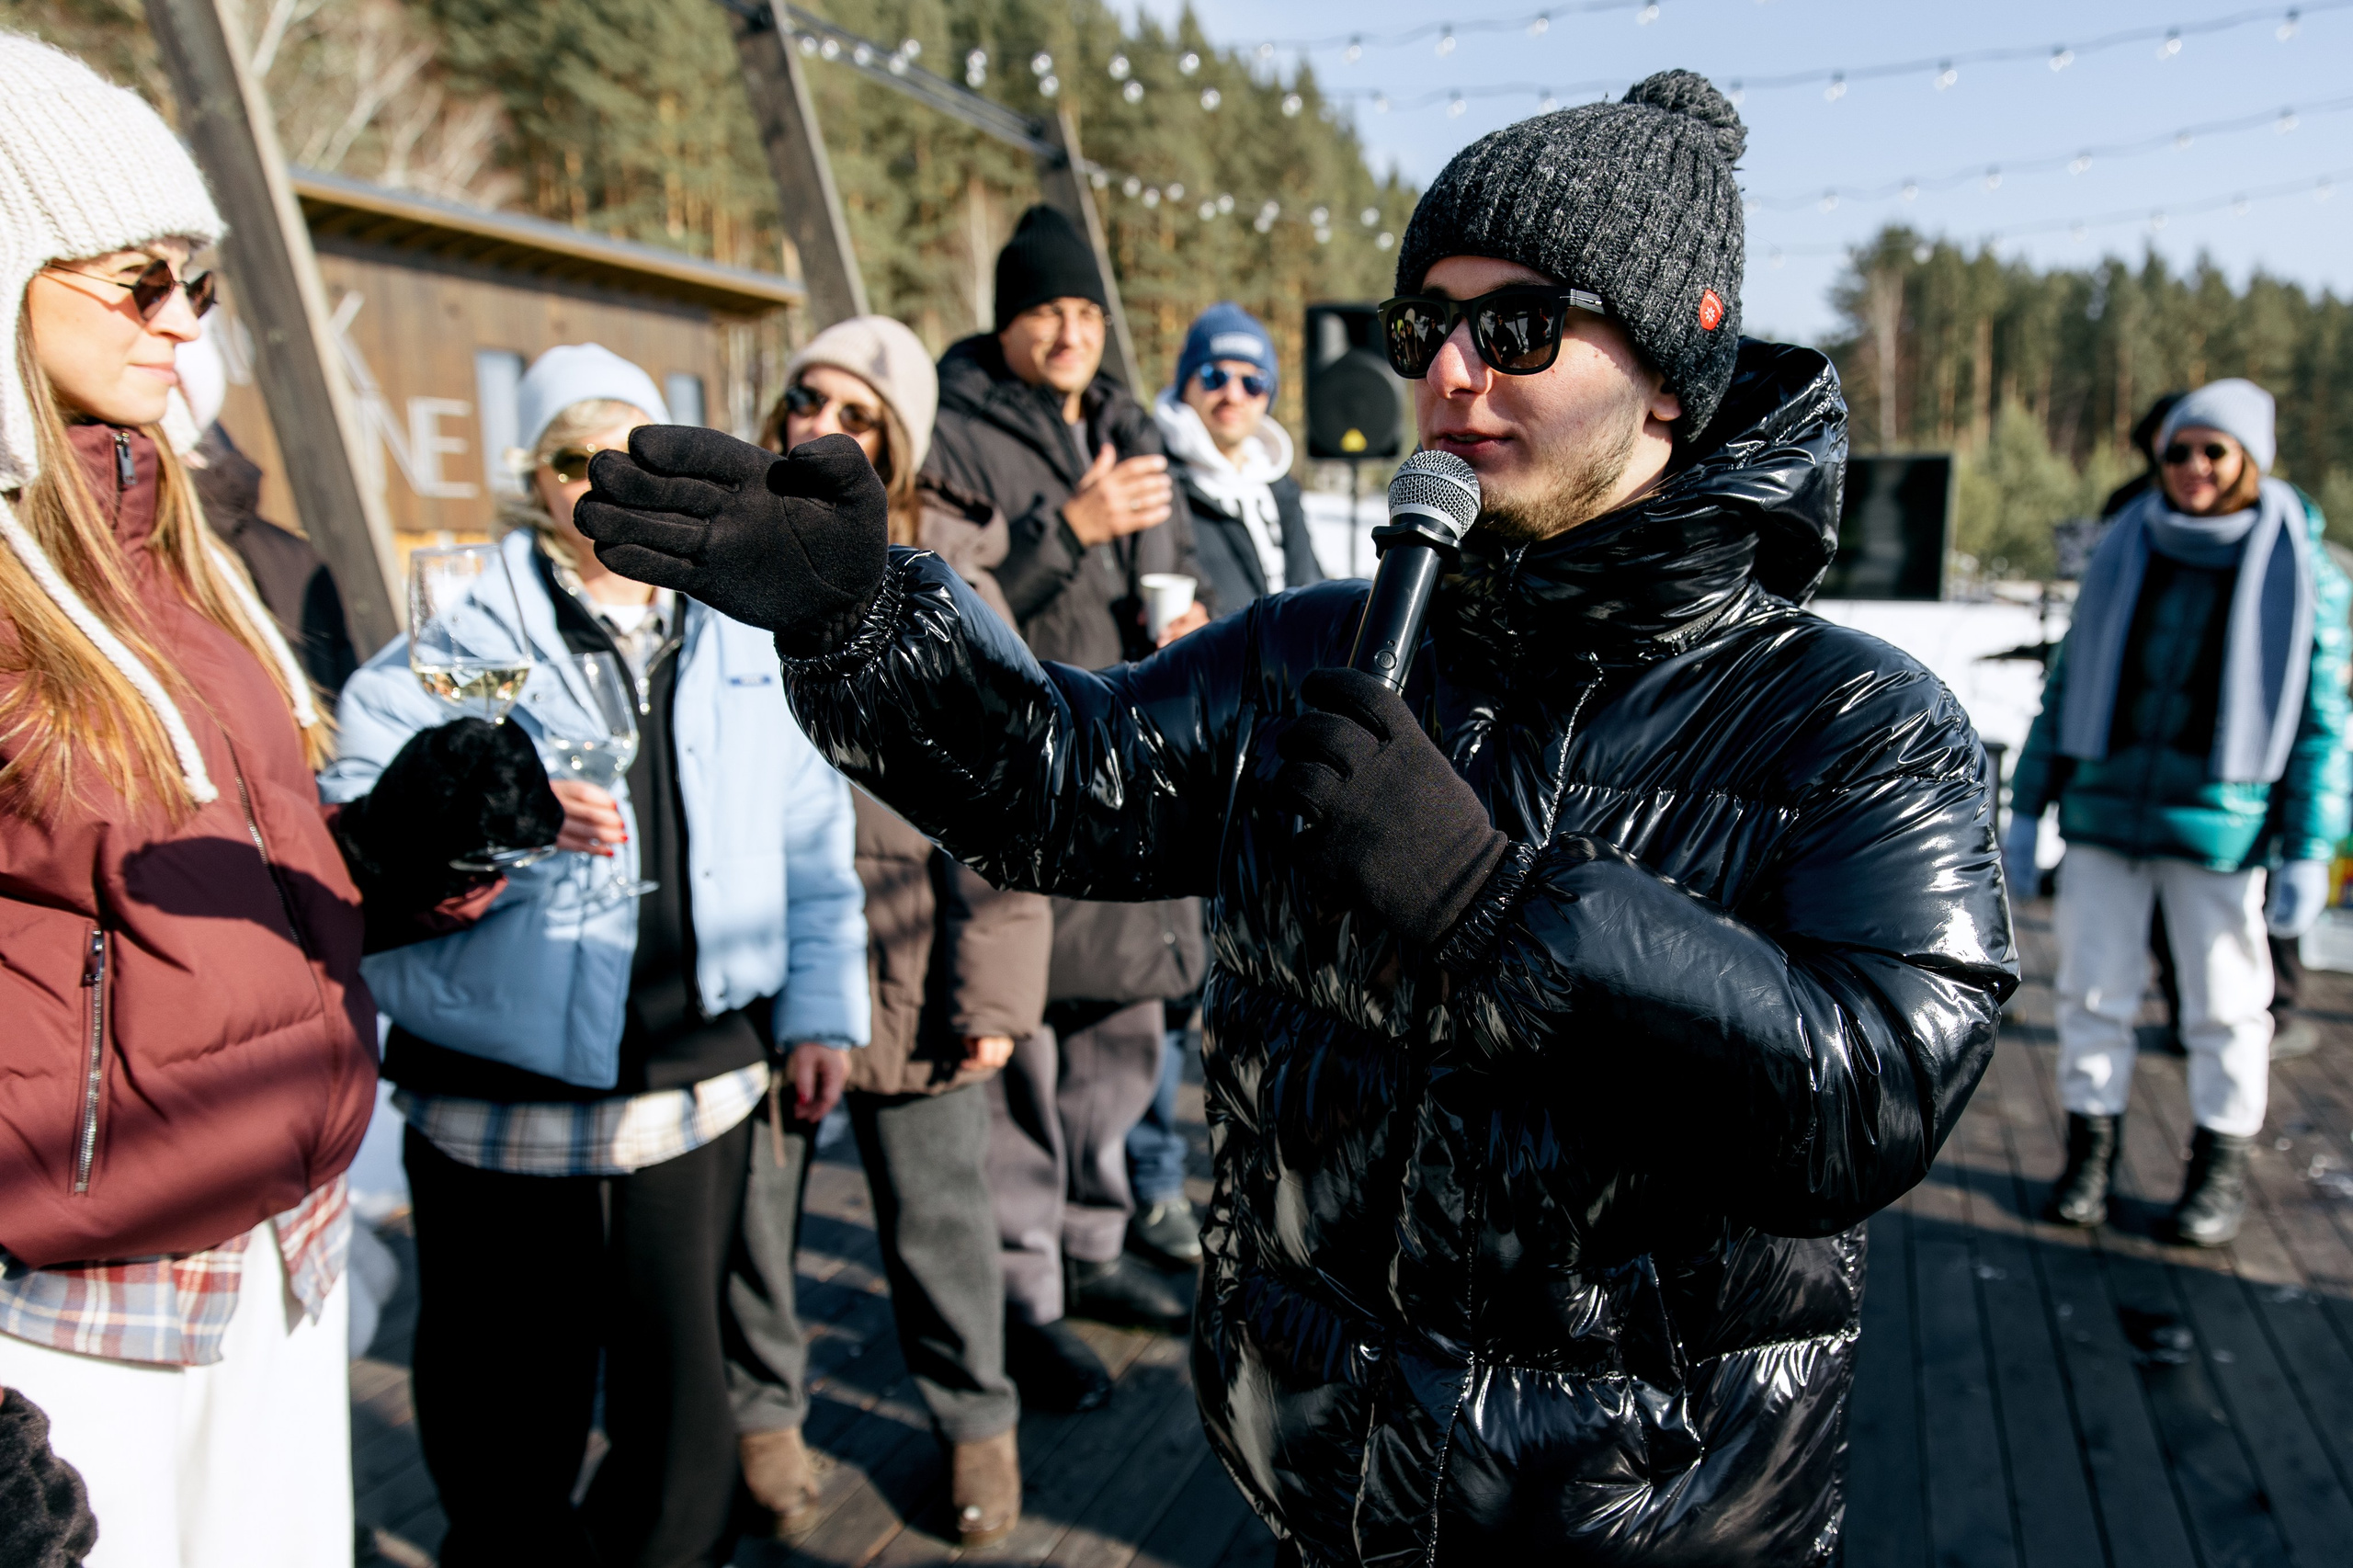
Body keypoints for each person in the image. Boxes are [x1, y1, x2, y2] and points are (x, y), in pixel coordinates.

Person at [578, 71, 2018, 1564]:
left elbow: (1867, 1098)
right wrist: (866, 622)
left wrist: (1494, 910)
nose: (1451, 369)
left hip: (1636, 1524)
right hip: (1322, 1483)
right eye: (1424, 323)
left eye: (1519, 326)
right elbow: (1067, 784)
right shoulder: (1326, 651)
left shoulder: (1856, 723)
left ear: (1669, 373)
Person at [0, 34, 544, 1566]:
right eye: (139, 281)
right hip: (80, 1307)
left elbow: (220, 888)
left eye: (200, 283)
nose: (184, 322)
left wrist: (399, 852)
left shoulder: (178, 548)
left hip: (277, 1256)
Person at [324, 343, 870, 1568]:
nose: (609, 481)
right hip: (497, 1093)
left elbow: (810, 831)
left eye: (637, 455)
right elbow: (360, 820)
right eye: (580, 457)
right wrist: (491, 811)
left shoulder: (739, 626)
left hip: (694, 1083)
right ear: (535, 476)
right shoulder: (456, 627)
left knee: (681, 1412)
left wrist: (822, 1009)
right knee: (505, 1410)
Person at [724, 317, 1042, 1549]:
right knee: (756, 1208)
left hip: (915, 932)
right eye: (807, 399)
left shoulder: (953, 576)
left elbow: (1011, 790)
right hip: (761, 931)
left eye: (857, 415)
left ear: (899, 443)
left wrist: (996, 993)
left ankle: (978, 1421)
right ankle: (763, 1413)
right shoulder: (724, 561)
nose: (822, 427)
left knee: (940, 1214)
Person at [922, 203, 1205, 1394]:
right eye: (1047, 310)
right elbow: (951, 605)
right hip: (1025, 770)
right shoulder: (954, 430)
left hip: (1129, 765)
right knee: (1027, 1055)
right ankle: (1026, 1292)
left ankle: (1094, 1245)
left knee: (1122, 1030)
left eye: (1087, 310)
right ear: (1007, 320)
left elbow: (1177, 560)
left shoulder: (1128, 424)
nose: (1071, 331)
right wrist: (1072, 527)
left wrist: (1192, 619)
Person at [2007, 378, 2349, 1247]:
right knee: (2092, 995)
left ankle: (2215, 1172)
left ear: (2250, 459)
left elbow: (2321, 724)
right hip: (2103, 817)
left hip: (2221, 832)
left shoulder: (2303, 565)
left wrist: (2308, 848)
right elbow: (2068, 685)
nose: (2193, 466)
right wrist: (2028, 805)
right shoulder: (2127, 542)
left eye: (2214, 451)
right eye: (2179, 450)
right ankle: (2089, 1158)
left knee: (2226, 1010)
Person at [1127, 302, 1326, 1268]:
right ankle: (1152, 1181)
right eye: (1214, 375)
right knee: (1171, 988)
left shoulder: (1275, 485)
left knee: (1255, 982)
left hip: (1274, 761)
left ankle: (1248, 1171)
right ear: (1186, 383)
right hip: (1195, 755)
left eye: (1252, 379)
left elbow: (1309, 593)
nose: (1233, 394)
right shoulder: (1163, 478)